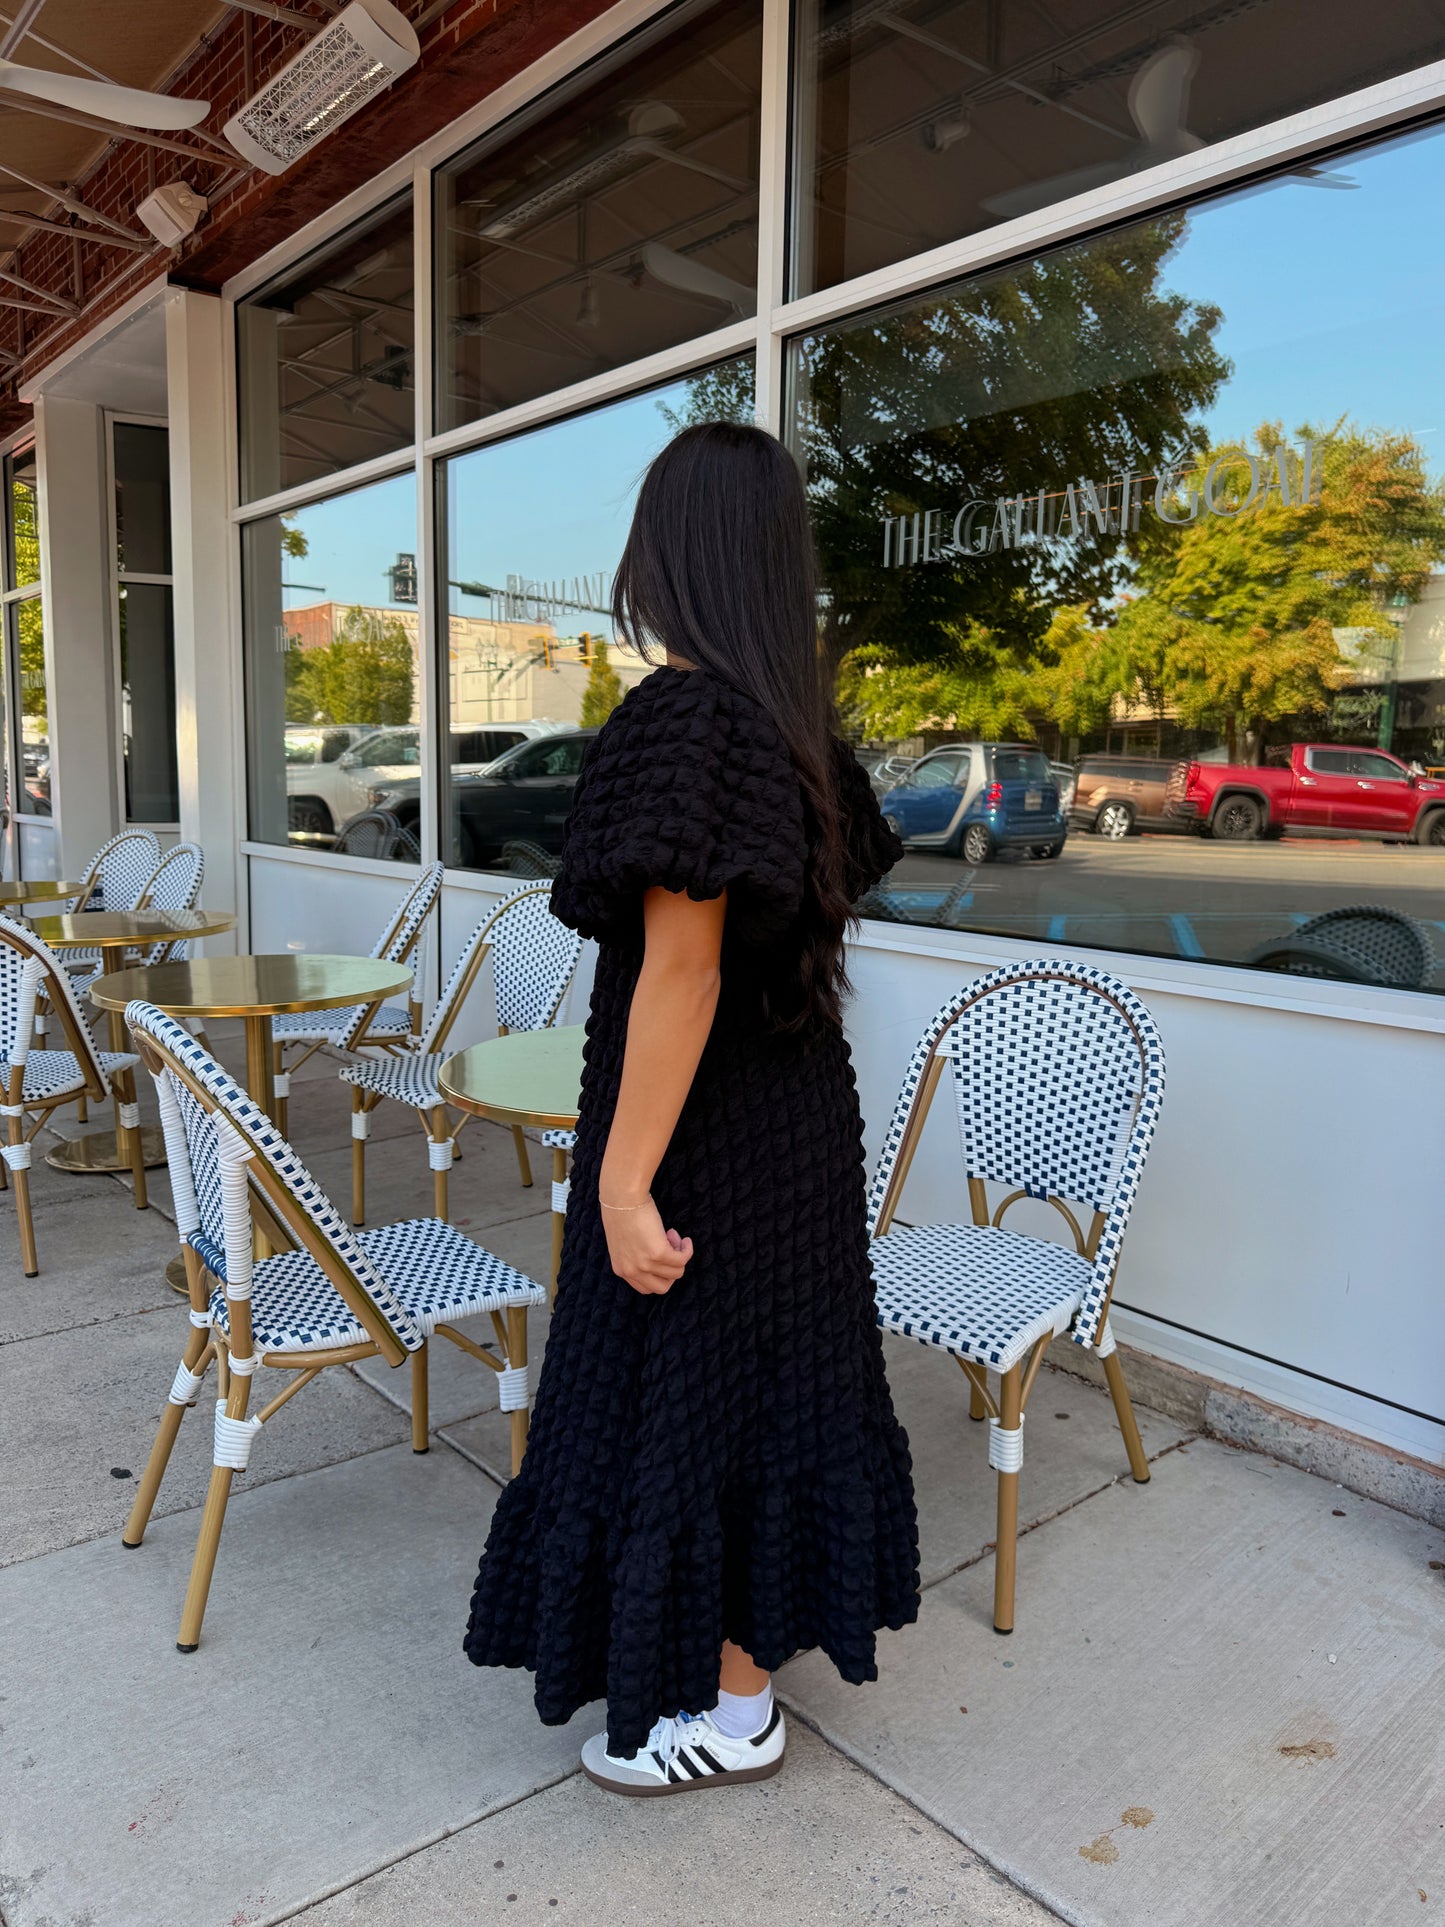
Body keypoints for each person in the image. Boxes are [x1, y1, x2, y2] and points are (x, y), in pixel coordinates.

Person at [463, 420, 920, 1796]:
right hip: (792, 1128)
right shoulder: (793, 734)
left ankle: (730, 1716)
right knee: (763, 1404)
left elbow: (680, 965)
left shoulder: (686, 716)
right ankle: (735, 1696)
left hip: (709, 1141)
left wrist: (619, 1178)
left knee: (693, 1400)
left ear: (674, 551)